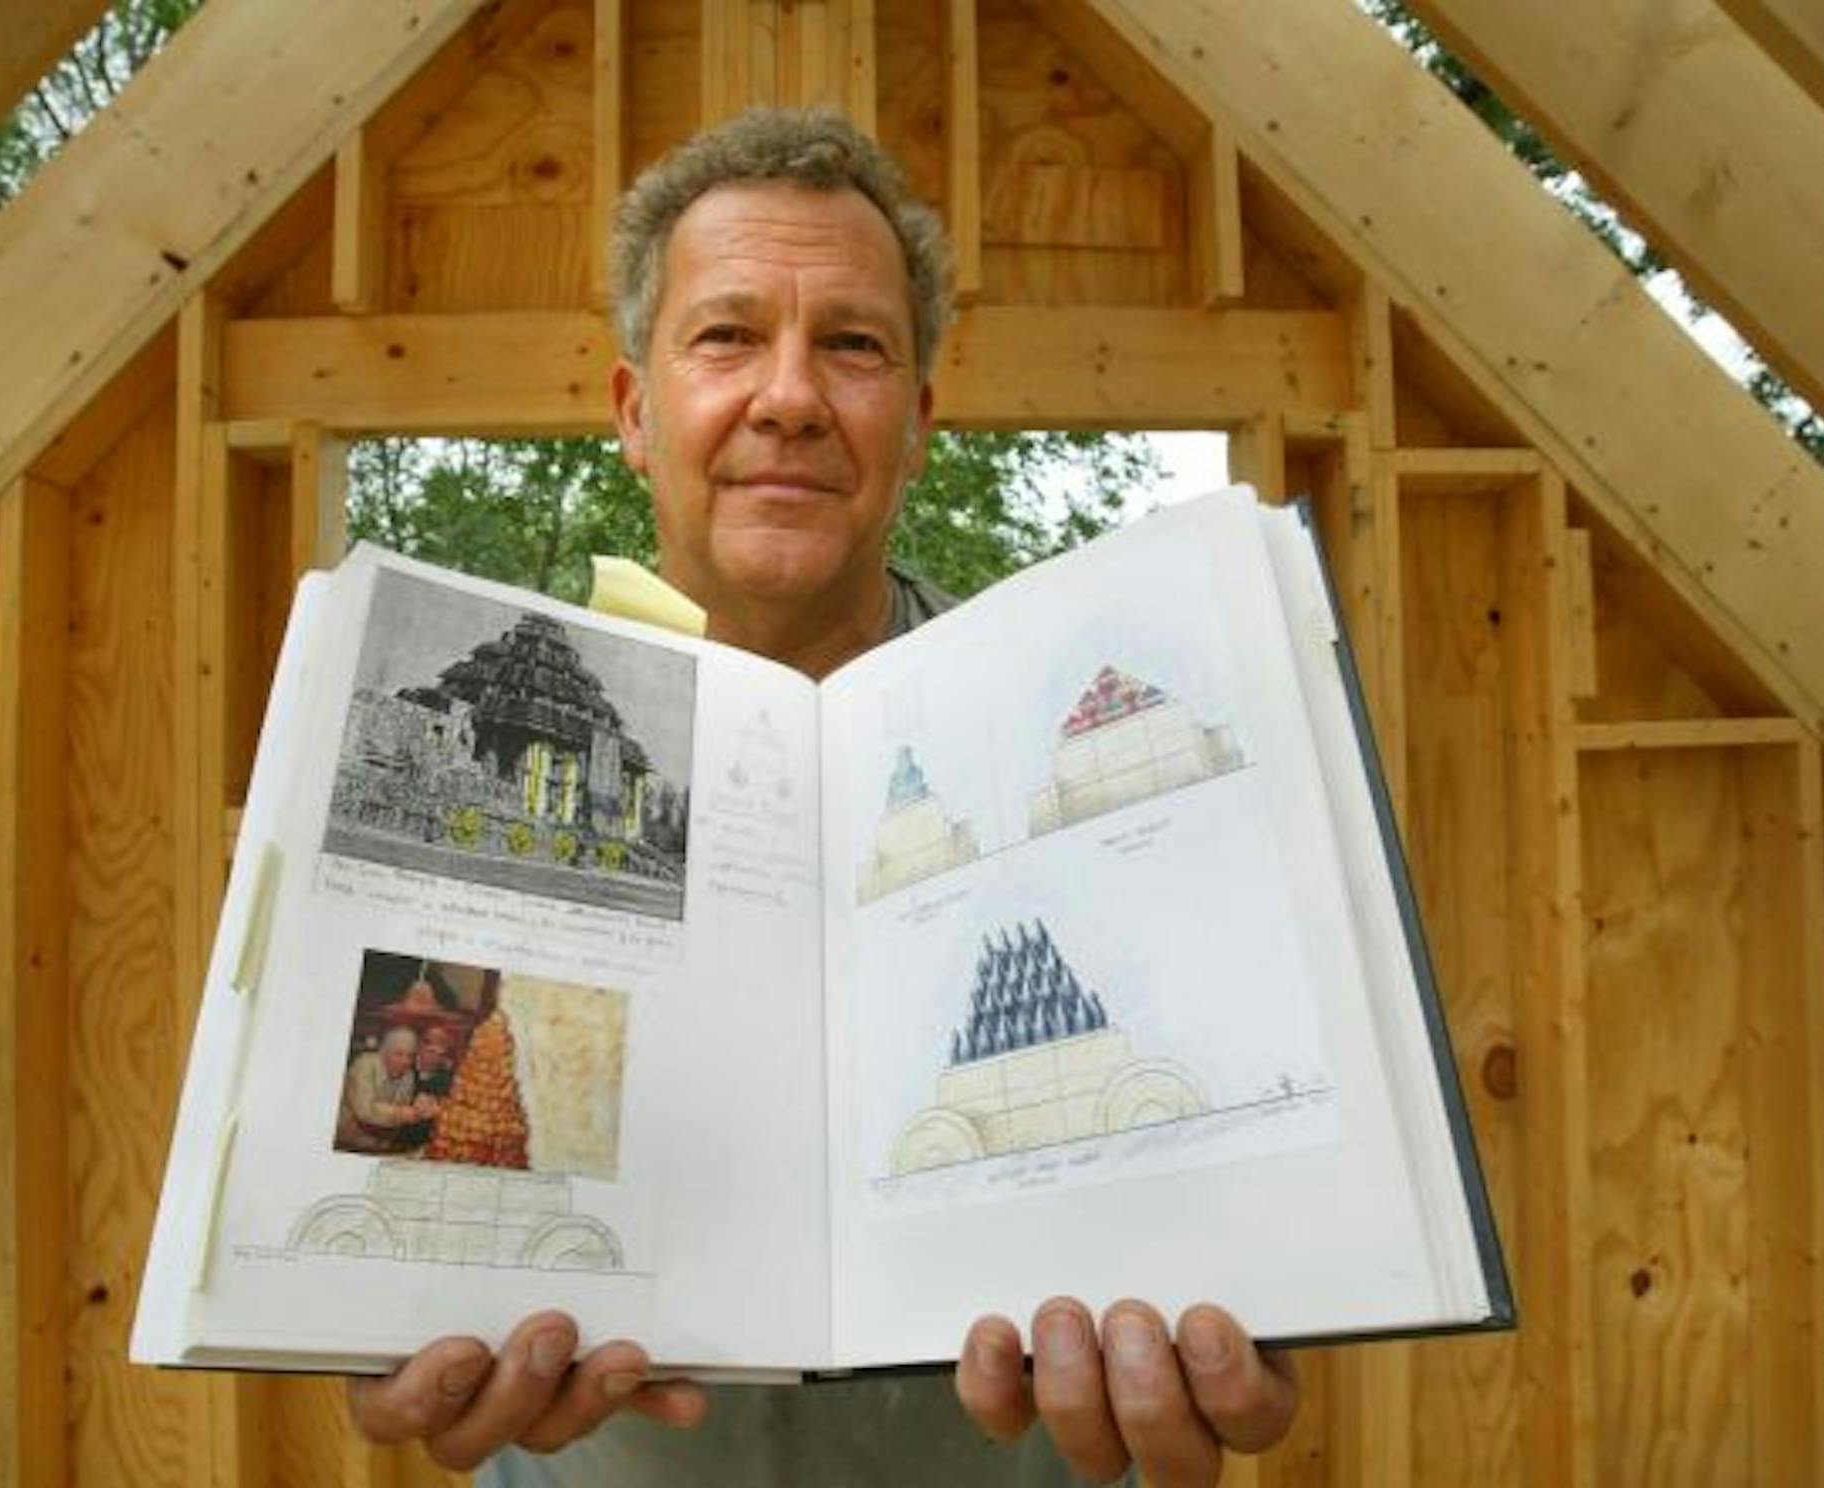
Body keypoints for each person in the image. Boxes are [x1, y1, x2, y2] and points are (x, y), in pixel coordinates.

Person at [348, 107, 1298, 1486]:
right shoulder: (480, 755)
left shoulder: (1056, 755)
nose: (788, 395)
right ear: (633, 411)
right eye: (727, 336)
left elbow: (1242, 1171)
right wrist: (366, 1331)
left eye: (851, 344)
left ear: (915, 422)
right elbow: (389, 1151)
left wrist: (1266, 1309)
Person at [336, 1024, 440, 1154]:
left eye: (410, 1056)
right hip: (345, 1143)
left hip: (380, 1146)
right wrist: (400, 1113)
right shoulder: (364, 1065)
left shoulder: (409, 1075)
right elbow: (364, 1110)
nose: (405, 1061)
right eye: (399, 1054)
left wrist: (421, 1108)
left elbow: (406, 1110)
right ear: (383, 1052)